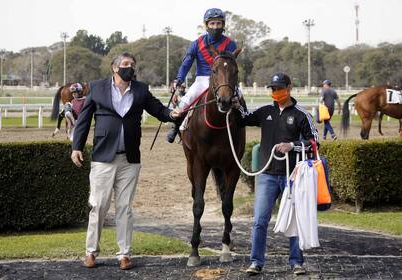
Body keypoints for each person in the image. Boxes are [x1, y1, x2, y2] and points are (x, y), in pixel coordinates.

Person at [71, 52, 180, 269]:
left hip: (130, 160)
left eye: (132, 64)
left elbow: (158, 109)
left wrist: (172, 114)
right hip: (103, 158)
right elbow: (83, 120)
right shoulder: (97, 87)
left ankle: (124, 255)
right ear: (114, 68)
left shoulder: (141, 89)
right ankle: (91, 252)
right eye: (125, 64)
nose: (129, 67)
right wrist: (76, 147)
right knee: (99, 206)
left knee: (125, 208)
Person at [234, 72, 319, 276]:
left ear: (289, 88)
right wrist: (236, 104)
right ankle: (256, 262)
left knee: (295, 220)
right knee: (259, 221)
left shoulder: (301, 114)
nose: (275, 92)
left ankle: (296, 262)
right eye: (272, 89)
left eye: (279, 88)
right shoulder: (264, 112)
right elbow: (243, 119)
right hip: (266, 175)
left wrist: (293, 145)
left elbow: (315, 142)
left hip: (293, 176)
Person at [166, 7, 237, 143]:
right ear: (206, 25)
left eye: (218, 23)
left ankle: (242, 122)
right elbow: (186, 63)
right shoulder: (197, 44)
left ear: (223, 25)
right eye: (212, 23)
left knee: (239, 99)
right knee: (186, 101)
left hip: (224, 80)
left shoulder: (230, 44)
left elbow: (231, 67)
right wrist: (178, 79)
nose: (215, 27)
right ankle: (175, 127)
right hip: (203, 79)